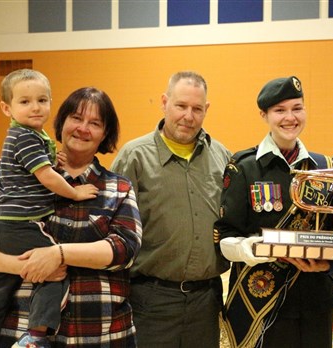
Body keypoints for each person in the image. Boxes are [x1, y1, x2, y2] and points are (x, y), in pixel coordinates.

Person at [0, 87, 142, 347]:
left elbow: (125, 249)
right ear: (62, 122)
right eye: (76, 118)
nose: (83, 128)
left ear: (105, 134)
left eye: (95, 123)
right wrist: (22, 266)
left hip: (98, 335)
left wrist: (58, 255)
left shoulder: (118, 188)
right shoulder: (27, 176)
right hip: (18, 335)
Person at [214, 76, 333, 348]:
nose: (290, 117)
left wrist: (328, 260)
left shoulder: (322, 166)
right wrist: (254, 249)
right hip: (262, 300)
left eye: (297, 108)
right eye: (280, 110)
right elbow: (223, 237)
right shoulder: (244, 167)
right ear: (264, 115)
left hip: (315, 301)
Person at [110, 71, 231, 347]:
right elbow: (111, 225)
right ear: (165, 103)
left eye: (197, 109)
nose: (188, 116)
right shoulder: (134, 157)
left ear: (206, 110)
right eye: (181, 106)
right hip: (150, 300)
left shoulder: (222, 157)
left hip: (207, 299)